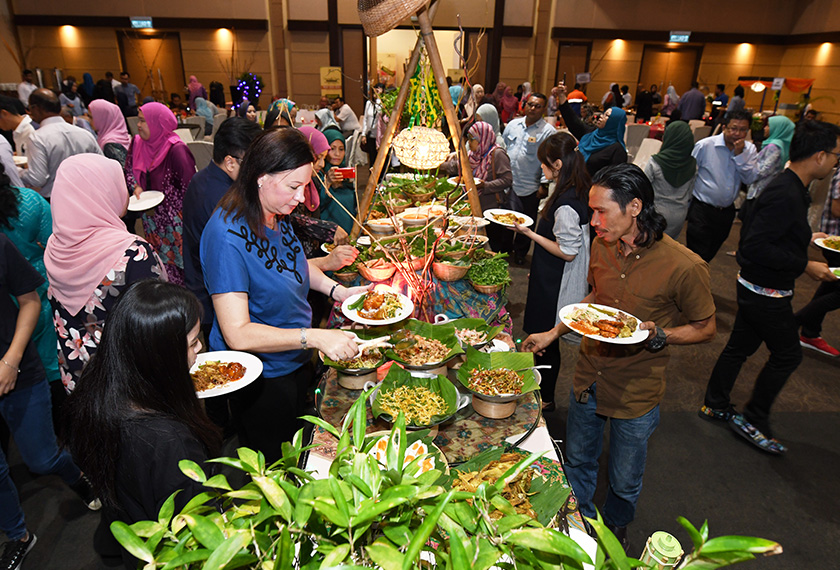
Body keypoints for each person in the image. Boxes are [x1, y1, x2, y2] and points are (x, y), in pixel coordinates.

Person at [523, 163, 715, 550]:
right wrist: (554, 331)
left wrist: (662, 334)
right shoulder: (602, 245)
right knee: (577, 460)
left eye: (601, 211)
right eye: (591, 211)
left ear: (634, 207)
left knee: (625, 479)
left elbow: (705, 327)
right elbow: (596, 298)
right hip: (589, 376)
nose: (593, 221)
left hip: (636, 389)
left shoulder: (684, 266)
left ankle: (614, 530)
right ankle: (578, 523)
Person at [200, 127, 369, 462]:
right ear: (261, 177)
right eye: (294, 186)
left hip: (293, 358)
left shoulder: (274, 213)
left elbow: (291, 264)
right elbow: (238, 333)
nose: (301, 197)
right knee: (274, 461)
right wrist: (315, 337)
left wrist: (340, 291)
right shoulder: (226, 236)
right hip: (263, 375)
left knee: (298, 442)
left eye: (305, 186)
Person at [701, 120, 840, 454]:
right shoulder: (786, 192)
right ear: (819, 156)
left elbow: (772, 235)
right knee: (788, 354)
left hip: (758, 288)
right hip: (765, 292)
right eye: (836, 155)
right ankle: (753, 418)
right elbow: (753, 248)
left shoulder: (790, 187)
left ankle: (715, 403)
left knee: (739, 347)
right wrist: (804, 264)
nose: (837, 163)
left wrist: (809, 240)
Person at [62, 279, 221, 568]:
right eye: (193, 342)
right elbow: (198, 535)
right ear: (161, 356)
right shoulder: (169, 441)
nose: (200, 351)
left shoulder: (96, 383)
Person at [0, 234, 99, 570]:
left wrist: (11, 359)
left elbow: (29, 299)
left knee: (41, 460)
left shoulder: (0, 244)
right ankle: (19, 536)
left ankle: (78, 474)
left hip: (17, 371)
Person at [46, 154, 166, 393]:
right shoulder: (132, 253)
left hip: (82, 381)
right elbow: (157, 324)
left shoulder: (56, 247)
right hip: (131, 385)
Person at [515, 132, 591, 411]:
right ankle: (543, 395)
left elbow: (568, 251)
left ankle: (545, 400)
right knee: (544, 338)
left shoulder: (567, 203)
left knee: (545, 340)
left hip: (556, 282)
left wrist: (528, 234)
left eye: (545, 165)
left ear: (558, 164)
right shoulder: (575, 186)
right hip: (549, 273)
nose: (542, 170)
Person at [183, 117, 263, 339]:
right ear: (230, 163)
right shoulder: (224, 200)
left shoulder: (202, 178)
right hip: (216, 298)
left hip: (202, 287)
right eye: (254, 163)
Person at [125, 101, 196, 284]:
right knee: (160, 265)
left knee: (181, 267)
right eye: (139, 121)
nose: (138, 125)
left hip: (175, 223)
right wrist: (136, 187)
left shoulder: (177, 150)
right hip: (151, 219)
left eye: (143, 121)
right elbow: (129, 171)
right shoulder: (138, 143)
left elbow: (190, 188)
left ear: (158, 123)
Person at [686, 109, 758, 263]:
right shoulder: (705, 146)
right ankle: (690, 285)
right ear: (724, 127)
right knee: (696, 255)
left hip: (726, 212)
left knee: (710, 253)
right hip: (702, 209)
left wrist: (740, 156)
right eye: (733, 128)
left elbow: (750, 178)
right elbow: (690, 174)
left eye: (743, 130)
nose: (737, 134)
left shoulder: (749, 150)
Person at [502, 92, 556, 264]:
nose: (533, 108)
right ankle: (504, 250)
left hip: (530, 185)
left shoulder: (548, 132)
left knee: (526, 221)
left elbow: (548, 160)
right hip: (508, 183)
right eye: (530, 104)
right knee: (505, 218)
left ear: (543, 109)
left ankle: (520, 253)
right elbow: (503, 149)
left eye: (538, 106)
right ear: (524, 105)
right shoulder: (513, 125)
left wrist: (544, 185)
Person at [443, 121, 512, 253]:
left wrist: (484, 185)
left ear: (483, 138)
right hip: (473, 207)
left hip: (490, 209)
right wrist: (438, 162)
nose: (469, 142)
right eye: (468, 138)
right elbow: (458, 166)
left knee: (491, 244)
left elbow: (507, 180)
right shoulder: (473, 155)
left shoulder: (497, 154)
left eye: (472, 139)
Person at [20, 89, 102, 199]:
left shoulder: (37, 138)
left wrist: (18, 171)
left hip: (57, 199)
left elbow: (37, 178)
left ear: (36, 108)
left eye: (30, 109)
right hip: (88, 196)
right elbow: (102, 165)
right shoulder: (84, 133)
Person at [796, 166, 840, 357]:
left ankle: (809, 332)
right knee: (834, 291)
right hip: (836, 242)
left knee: (830, 285)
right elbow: (837, 209)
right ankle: (793, 323)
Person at [556, 83, 628, 177]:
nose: (601, 117)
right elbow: (572, 121)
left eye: (607, 116)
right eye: (603, 113)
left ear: (614, 122)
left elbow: (614, 179)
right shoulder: (591, 134)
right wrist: (562, 96)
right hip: (574, 182)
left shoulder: (617, 150)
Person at [644, 121, 697, 238]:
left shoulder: (655, 162)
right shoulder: (693, 164)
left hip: (656, 212)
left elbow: (643, 187)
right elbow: (690, 193)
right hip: (679, 214)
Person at [743, 115, 795, 207]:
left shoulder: (774, 147)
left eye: (768, 126)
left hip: (760, 192)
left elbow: (765, 170)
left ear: (777, 128)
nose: (765, 128)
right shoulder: (780, 145)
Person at [319, 129, 358, 234]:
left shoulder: (345, 174)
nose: (337, 154)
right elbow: (316, 206)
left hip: (349, 235)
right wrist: (327, 183)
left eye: (341, 149)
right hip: (329, 236)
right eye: (332, 149)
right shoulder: (317, 175)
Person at [88, 99, 131, 167]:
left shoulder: (110, 145)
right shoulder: (119, 136)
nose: (89, 121)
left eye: (91, 117)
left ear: (102, 118)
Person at [361, 84, 384, 165]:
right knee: (372, 158)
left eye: (379, 89)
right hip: (371, 135)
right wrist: (363, 134)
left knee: (380, 159)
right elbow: (365, 119)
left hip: (380, 136)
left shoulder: (382, 104)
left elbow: (380, 112)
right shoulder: (369, 103)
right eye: (375, 89)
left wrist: (379, 98)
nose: (376, 91)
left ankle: (381, 177)